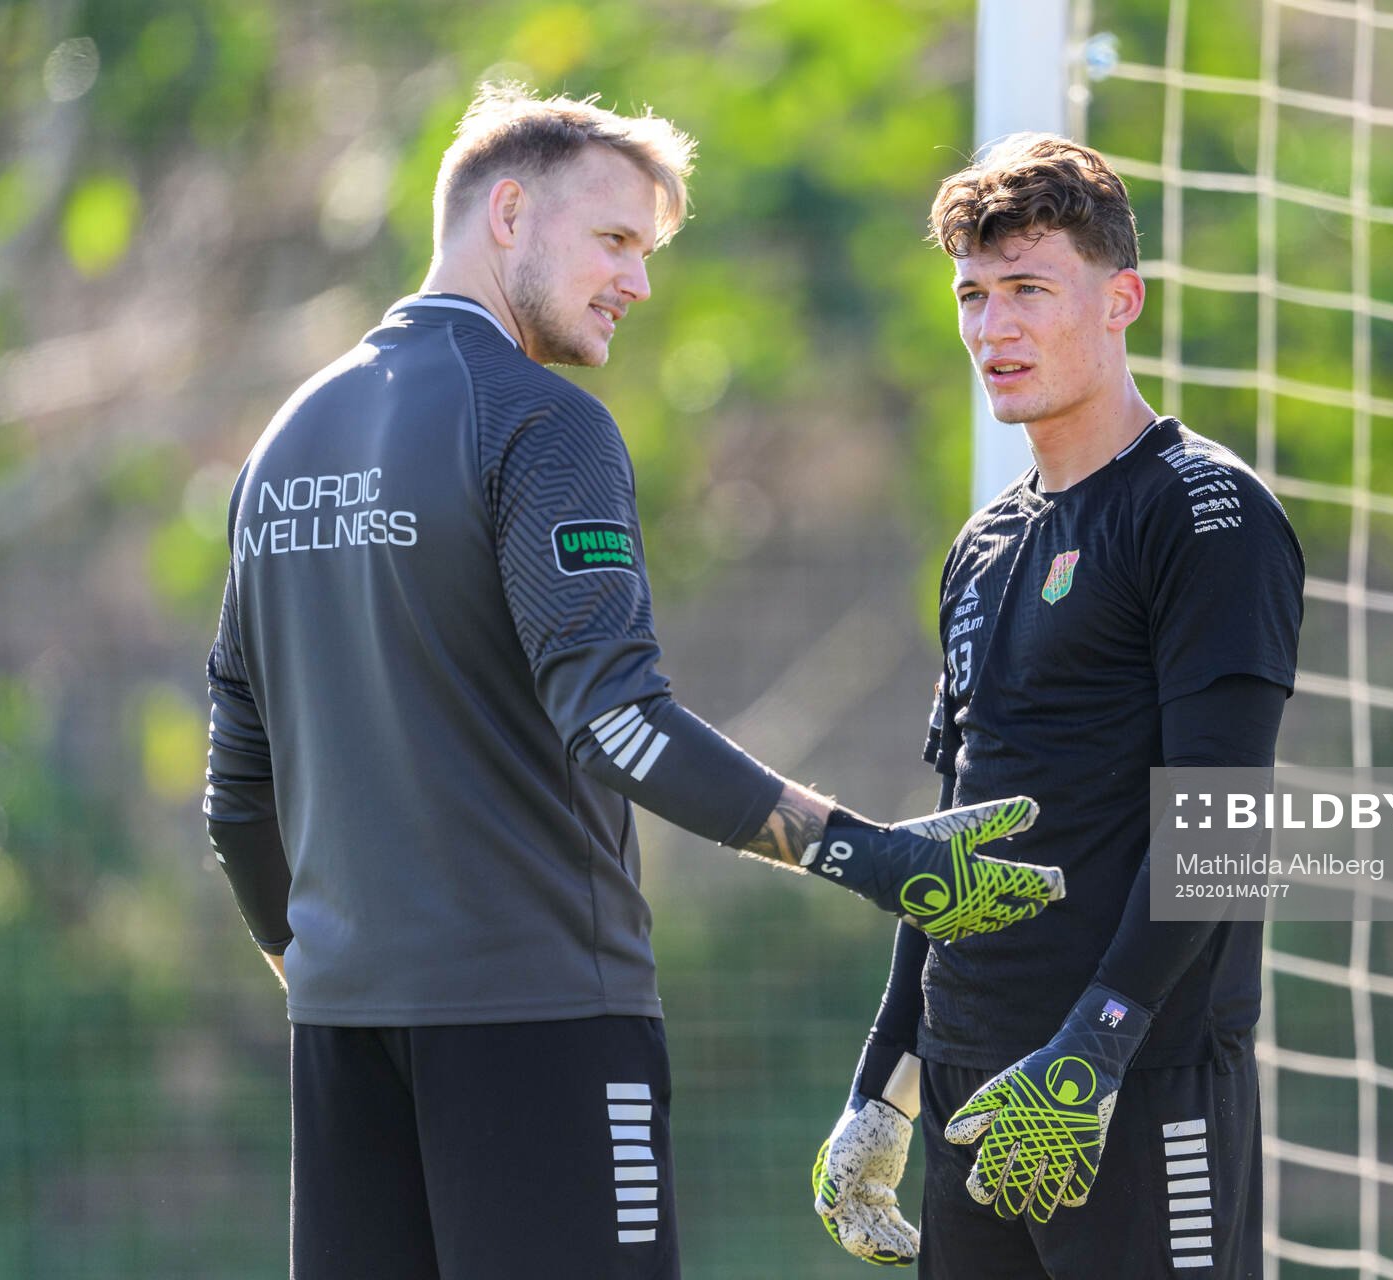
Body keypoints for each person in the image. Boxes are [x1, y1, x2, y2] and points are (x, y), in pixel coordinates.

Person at [200, 84, 1068, 1280]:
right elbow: (616, 720)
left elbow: (234, 791)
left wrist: (321, 968)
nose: (639, 282)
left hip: (343, 1035)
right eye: (615, 240)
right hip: (539, 1022)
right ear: (508, 212)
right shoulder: (539, 422)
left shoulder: (283, 441)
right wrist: (873, 854)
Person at [809, 134, 1305, 1277]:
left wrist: (1096, 1045)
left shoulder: (1206, 512)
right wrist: (885, 1087)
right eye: (973, 296)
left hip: (1133, 1087)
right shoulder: (982, 546)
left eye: (1030, 289)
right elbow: (954, 843)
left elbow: (1226, 823)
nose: (995, 328)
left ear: (1120, 298)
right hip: (973, 1092)